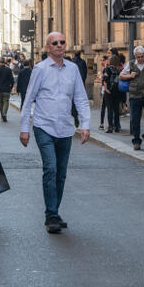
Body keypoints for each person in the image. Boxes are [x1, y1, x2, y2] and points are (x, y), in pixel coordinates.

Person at [19, 32, 91, 234]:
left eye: (62, 42)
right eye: (55, 43)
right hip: (44, 126)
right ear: (48, 47)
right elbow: (28, 99)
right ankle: (51, 215)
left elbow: (81, 98)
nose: (60, 45)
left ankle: (55, 212)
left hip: (65, 128)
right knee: (50, 168)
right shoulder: (40, 70)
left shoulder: (73, 69)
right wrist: (25, 129)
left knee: (61, 174)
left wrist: (85, 124)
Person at [120, 46, 144, 151]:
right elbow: (121, 76)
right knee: (135, 119)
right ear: (135, 56)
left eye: (142, 56)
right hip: (134, 95)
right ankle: (136, 140)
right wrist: (130, 75)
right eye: (138, 57)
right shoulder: (130, 64)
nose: (140, 59)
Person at [102, 54, 124, 133]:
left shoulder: (107, 69)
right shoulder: (120, 69)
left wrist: (106, 89)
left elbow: (104, 79)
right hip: (117, 91)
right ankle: (117, 126)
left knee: (110, 110)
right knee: (116, 110)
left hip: (109, 92)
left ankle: (110, 127)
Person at [0, 57, 16, 122]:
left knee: (0, 103)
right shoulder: (8, 70)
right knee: (6, 101)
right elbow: (12, 80)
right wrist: (11, 87)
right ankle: (4, 113)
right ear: (4, 62)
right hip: (6, 89)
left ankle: (2, 115)